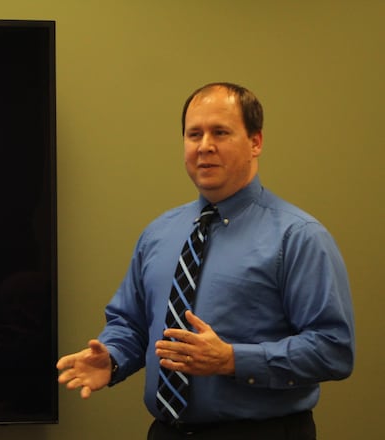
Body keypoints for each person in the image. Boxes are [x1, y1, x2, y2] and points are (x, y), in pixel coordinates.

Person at [56, 82, 355, 439]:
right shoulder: (159, 233)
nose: (205, 146)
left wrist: (232, 360)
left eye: (221, 132)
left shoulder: (298, 237)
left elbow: (333, 349)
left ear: (255, 142)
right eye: (193, 134)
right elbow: (132, 324)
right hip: (166, 431)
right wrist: (114, 357)